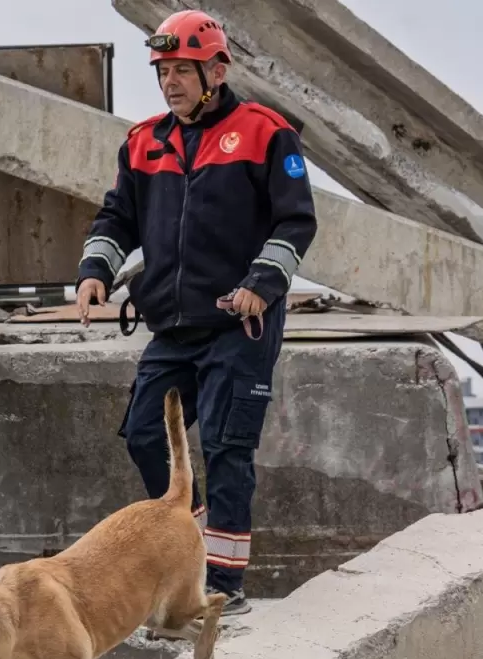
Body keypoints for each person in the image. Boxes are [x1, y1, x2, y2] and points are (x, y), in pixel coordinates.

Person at [75, 8, 318, 615]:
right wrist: (94, 272)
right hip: (173, 325)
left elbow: (296, 219)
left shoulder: (266, 133)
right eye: (163, 73)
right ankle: (193, 535)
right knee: (141, 435)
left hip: (241, 323)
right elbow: (117, 219)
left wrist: (264, 282)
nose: (171, 83)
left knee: (226, 446)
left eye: (182, 70)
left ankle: (224, 584)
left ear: (215, 68)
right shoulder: (142, 142)